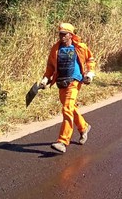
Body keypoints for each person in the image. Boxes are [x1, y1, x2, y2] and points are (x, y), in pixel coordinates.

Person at [39, 22, 96, 154]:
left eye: (64, 34)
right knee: (70, 108)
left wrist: (90, 73)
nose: (61, 36)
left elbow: (90, 59)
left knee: (67, 108)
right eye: (60, 34)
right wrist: (46, 78)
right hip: (61, 82)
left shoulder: (80, 47)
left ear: (71, 35)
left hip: (74, 80)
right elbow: (50, 66)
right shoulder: (56, 49)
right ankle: (84, 127)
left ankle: (63, 141)